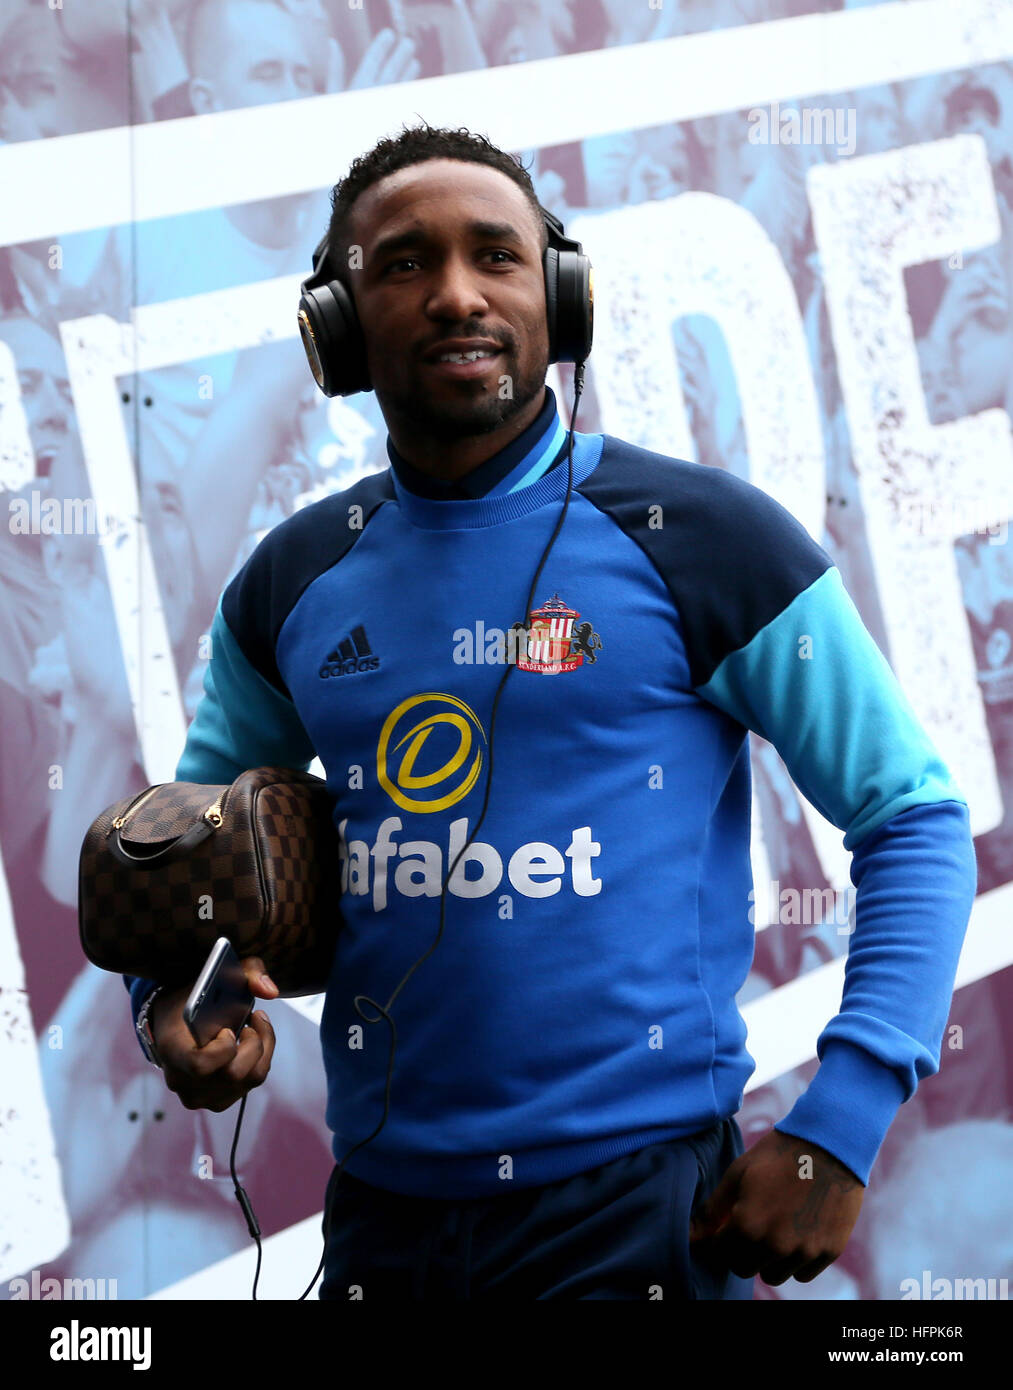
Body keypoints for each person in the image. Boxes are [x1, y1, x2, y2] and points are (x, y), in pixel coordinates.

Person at [119, 123, 977, 1300]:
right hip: (381, 1231)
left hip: (640, 1225)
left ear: (559, 298)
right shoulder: (292, 581)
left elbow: (913, 815)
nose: (456, 295)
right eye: (405, 264)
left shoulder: (705, 541)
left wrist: (840, 1123)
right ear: (334, 325)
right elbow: (186, 865)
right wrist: (174, 1003)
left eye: (497, 257)